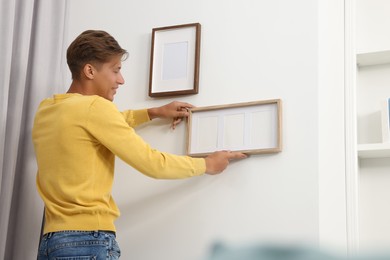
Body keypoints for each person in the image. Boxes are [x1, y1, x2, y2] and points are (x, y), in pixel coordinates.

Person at [33, 30, 247, 260]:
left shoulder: (48, 109)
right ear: (89, 71)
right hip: (87, 241)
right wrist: (207, 164)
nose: (121, 80)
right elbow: (152, 163)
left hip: (50, 243)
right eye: (115, 70)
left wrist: (152, 112)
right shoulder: (95, 109)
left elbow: (98, 124)